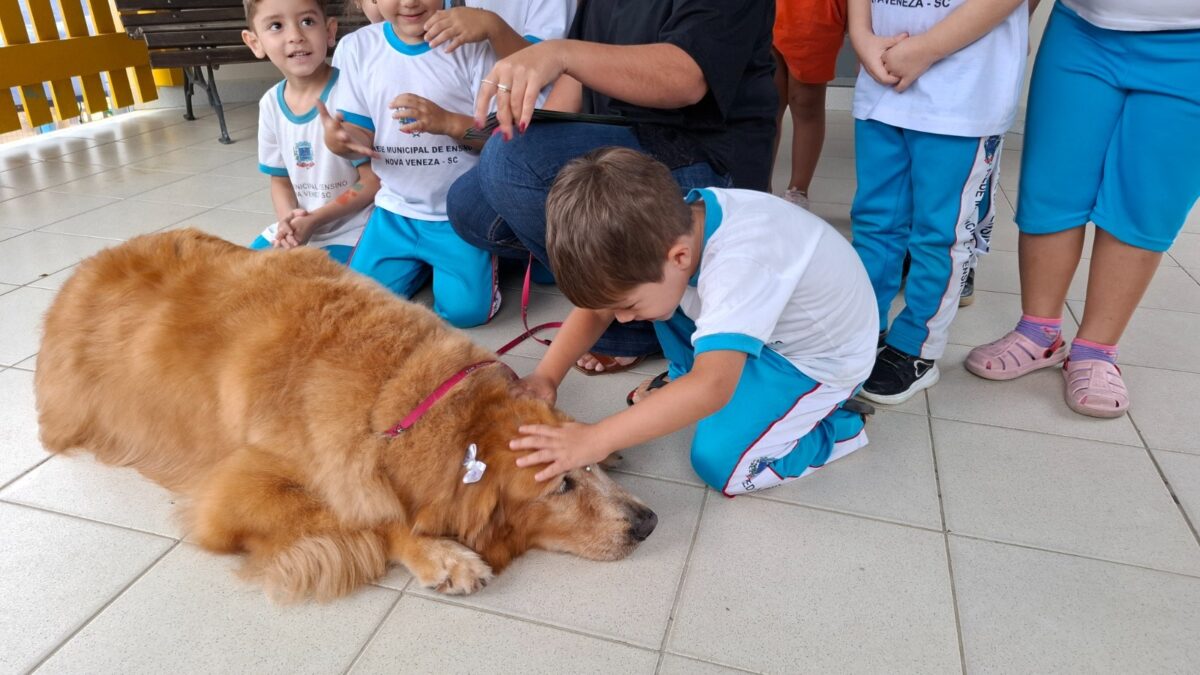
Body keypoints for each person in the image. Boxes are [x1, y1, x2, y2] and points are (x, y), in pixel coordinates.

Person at [507, 148, 877, 496]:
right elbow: (601, 307)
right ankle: (694, 378)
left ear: (680, 256)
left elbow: (713, 387)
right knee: (660, 303)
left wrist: (595, 439)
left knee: (722, 466)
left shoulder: (739, 265)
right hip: (770, 328)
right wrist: (546, 376)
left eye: (627, 305)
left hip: (818, 362)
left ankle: (835, 424)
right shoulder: (676, 226)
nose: (621, 319)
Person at [446, 0, 777, 376]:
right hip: (624, 137)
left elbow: (685, 77)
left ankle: (637, 318)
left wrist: (559, 53)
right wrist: (535, 130)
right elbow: (576, 76)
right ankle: (627, 292)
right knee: (471, 206)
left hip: (703, 155)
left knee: (510, 165)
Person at [966, 0, 1200, 418]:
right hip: (1083, 28)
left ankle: (1096, 351)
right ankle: (1039, 332)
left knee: (1146, 200)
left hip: (1191, 49)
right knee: (1052, 183)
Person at [848, 0, 1028, 404]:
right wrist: (860, 35)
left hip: (963, 93)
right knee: (874, 223)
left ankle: (916, 347)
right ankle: (861, 327)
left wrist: (927, 47)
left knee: (939, 233)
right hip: (882, 81)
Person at [319, 0, 499, 328]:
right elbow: (361, 133)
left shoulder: (471, 44)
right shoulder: (358, 47)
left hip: (458, 216)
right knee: (359, 304)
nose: (409, 2)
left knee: (467, 313)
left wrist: (447, 122)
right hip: (394, 211)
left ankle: (453, 267)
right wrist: (340, 140)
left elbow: (497, 140)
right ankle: (421, 266)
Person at [241, 0, 379, 263]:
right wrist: (287, 221)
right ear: (254, 42)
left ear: (329, 31)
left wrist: (316, 220)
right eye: (276, 26)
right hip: (304, 225)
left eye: (307, 22)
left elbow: (372, 181)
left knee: (320, 287)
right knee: (244, 273)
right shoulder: (270, 103)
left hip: (353, 229)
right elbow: (280, 181)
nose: (295, 37)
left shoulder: (350, 93)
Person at [771, 0, 847, 209]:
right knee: (766, 100)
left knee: (806, 101)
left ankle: (798, 191)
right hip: (763, 11)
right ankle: (760, 187)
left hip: (813, 11)